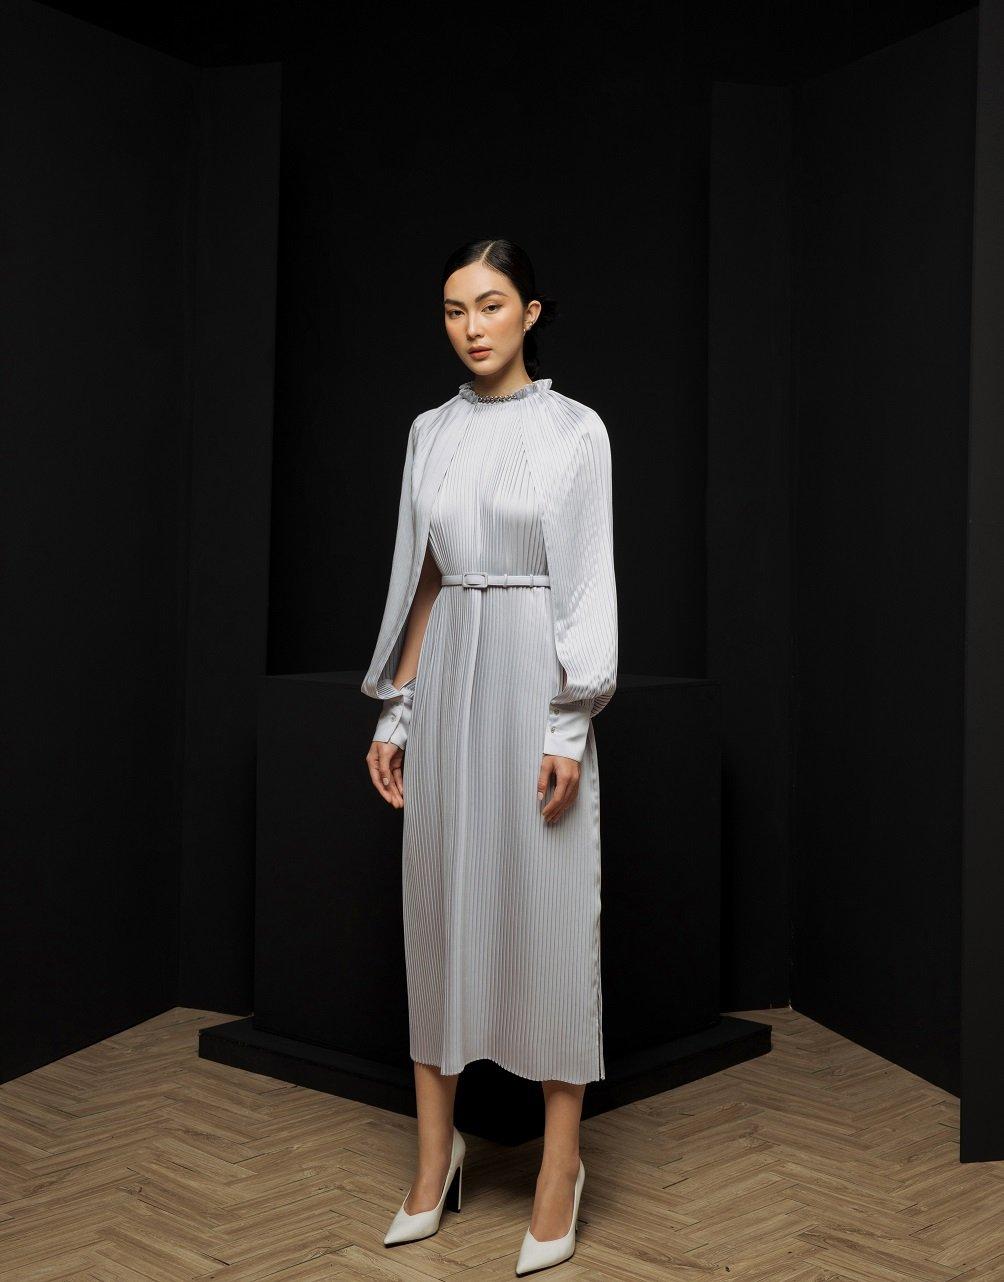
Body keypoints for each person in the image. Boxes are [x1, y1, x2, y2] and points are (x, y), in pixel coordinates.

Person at [361, 237, 617, 1275]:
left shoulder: (574, 431)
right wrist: (397, 714)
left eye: (491, 304)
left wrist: (569, 724)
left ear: (530, 312)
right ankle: (436, 1157)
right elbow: (422, 579)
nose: (471, 326)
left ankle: (560, 1166)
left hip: (533, 679)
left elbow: (586, 582)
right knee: (437, 907)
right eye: (454, 309)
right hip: (449, 682)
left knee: (549, 913)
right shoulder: (429, 432)